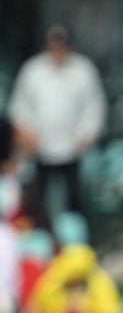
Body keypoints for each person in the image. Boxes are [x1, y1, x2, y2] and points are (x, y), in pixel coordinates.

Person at [8, 24, 106, 226]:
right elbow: (19, 106)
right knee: (37, 198)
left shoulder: (83, 70)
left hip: (73, 148)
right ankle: (39, 238)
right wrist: (27, 133)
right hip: (39, 148)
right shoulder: (33, 70)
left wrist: (85, 134)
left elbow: (94, 106)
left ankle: (76, 242)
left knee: (75, 198)